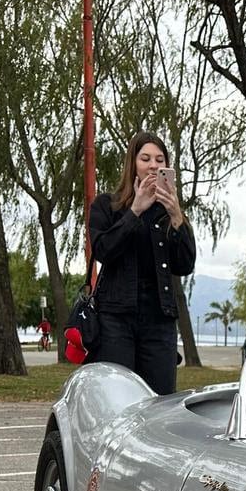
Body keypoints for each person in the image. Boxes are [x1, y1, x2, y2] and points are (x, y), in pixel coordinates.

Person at [86, 131, 195, 394]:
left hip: (159, 319)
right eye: (145, 158)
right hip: (116, 318)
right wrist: (134, 210)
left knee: (160, 401)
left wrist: (177, 216)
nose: (153, 165)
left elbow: (185, 264)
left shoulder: (169, 212)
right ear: (132, 163)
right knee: (118, 398)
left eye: (160, 159)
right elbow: (103, 250)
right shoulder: (107, 206)